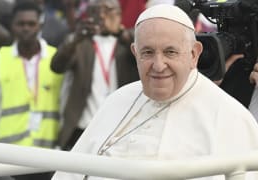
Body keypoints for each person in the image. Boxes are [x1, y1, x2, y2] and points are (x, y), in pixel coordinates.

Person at [52, 4, 258, 180]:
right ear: (135, 53)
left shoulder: (229, 116)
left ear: (194, 54)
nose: (158, 66)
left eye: (170, 52)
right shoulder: (117, 100)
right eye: (148, 52)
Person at [0, 2, 63, 180]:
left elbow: (62, 104)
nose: (26, 28)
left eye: (31, 24)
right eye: (21, 24)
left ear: (40, 26)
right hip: (8, 155)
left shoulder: (55, 58)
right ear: (12, 26)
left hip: (48, 156)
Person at [51, 0, 139, 150]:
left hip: (118, 127)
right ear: (90, 14)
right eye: (98, 11)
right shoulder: (81, 42)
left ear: (119, 14)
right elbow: (57, 66)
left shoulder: (128, 42)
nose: (103, 15)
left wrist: (119, 32)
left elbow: (141, 52)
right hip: (83, 126)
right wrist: (75, 39)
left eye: (109, 10)